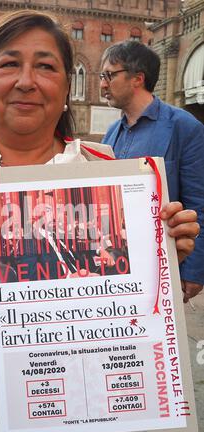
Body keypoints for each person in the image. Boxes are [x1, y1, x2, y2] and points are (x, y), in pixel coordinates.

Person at [0, 10, 198, 432]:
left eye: (46, 66)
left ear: (67, 89)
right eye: (9, 64)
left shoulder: (117, 182)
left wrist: (159, 260)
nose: (27, 81)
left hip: (93, 431)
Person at [100, 40, 204, 303]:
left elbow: (199, 203)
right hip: (114, 265)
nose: (103, 84)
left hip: (162, 265)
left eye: (109, 75)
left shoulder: (184, 127)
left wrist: (193, 272)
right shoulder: (110, 134)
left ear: (137, 78)